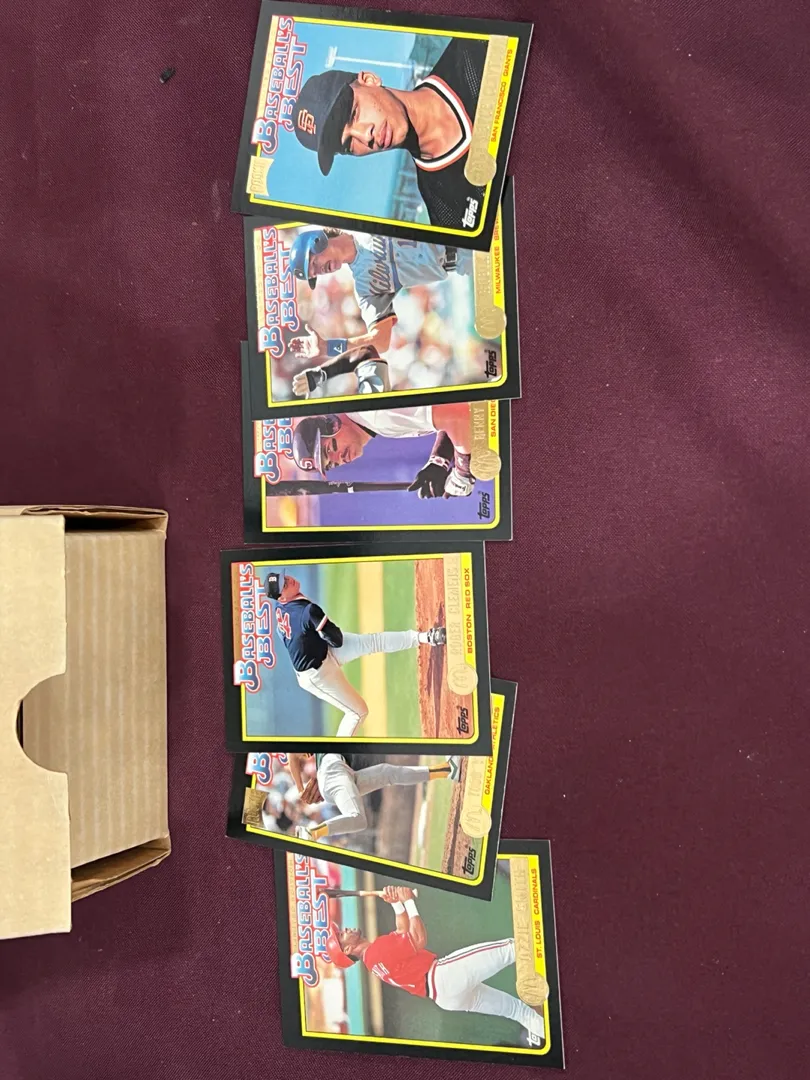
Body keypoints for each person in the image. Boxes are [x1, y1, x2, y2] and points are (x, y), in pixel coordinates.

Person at [291, 37, 488, 229]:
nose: (365, 136)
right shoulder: (446, 211)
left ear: (369, 80)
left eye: (353, 114)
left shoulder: (477, 48)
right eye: (348, 144)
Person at [325, 885, 547, 1048]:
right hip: (443, 976)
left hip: (444, 998)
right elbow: (418, 939)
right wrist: (409, 903)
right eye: (341, 935)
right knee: (512, 948)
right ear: (347, 949)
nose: (344, 930)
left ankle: (550, 1035)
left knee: (517, 1011)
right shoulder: (375, 952)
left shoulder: (372, 960)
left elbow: (402, 933)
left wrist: (395, 903)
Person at [266, 570, 445, 737]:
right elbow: (337, 640)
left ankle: (426, 637)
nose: (289, 580)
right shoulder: (305, 612)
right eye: (284, 584)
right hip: (317, 675)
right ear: (281, 597)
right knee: (358, 712)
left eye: (285, 578)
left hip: (322, 650)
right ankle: (335, 755)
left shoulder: (282, 607)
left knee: (373, 642)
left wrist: (315, 636)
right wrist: (322, 630)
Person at [287, 226, 471, 361]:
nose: (320, 271)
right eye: (315, 274)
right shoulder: (364, 287)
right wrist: (329, 347)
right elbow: (381, 341)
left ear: (317, 241)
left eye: (314, 264)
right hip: (462, 261)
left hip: (453, 224)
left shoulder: (361, 219)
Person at [290, 374, 478, 499]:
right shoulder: (369, 417)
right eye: (331, 464)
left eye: (329, 449)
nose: (339, 459)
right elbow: (446, 412)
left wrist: (463, 471)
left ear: (332, 423)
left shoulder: (377, 416)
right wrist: (440, 459)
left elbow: (458, 414)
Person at [284, 752, 460, 842]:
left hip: (339, 771)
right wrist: (300, 789)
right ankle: (314, 833)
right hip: (332, 772)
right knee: (357, 818)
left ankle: (447, 770)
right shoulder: (301, 738)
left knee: (388, 773)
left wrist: (301, 789)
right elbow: (292, 757)